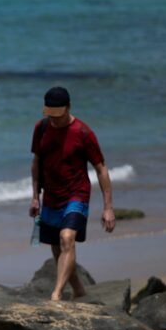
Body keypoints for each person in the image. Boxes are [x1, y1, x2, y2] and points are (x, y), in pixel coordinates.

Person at [29, 87, 116, 301]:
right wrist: (34, 196)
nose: (54, 121)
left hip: (76, 193)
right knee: (57, 247)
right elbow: (36, 163)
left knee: (67, 238)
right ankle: (78, 289)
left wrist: (108, 207)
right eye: (50, 115)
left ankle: (56, 295)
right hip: (51, 195)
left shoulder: (83, 133)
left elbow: (101, 168)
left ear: (68, 108)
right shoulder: (40, 128)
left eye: (58, 116)